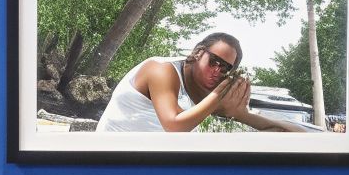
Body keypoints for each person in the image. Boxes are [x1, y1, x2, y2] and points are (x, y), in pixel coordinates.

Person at [97, 31, 301, 132]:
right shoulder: (161, 70)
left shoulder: (206, 92)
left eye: (226, 69)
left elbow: (274, 127)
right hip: (110, 162)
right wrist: (218, 96)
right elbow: (174, 126)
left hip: (151, 166)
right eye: (214, 61)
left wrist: (241, 114)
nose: (217, 70)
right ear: (197, 52)